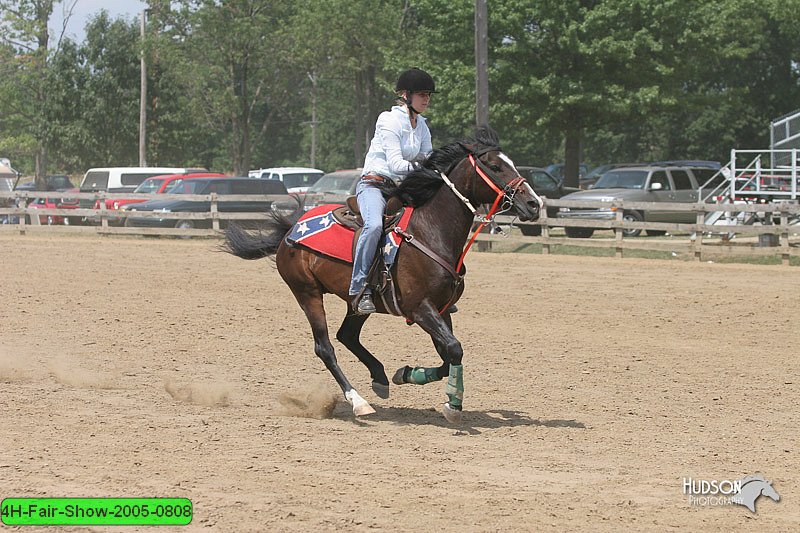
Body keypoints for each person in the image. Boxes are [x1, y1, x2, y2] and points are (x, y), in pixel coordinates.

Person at [349, 68, 435, 314]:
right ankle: (360, 288)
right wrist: (425, 167)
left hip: (399, 188)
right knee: (374, 226)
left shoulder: (422, 126)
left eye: (428, 95)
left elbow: (428, 156)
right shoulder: (388, 120)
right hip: (373, 185)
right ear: (406, 95)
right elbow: (397, 165)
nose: (426, 99)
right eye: (422, 94)